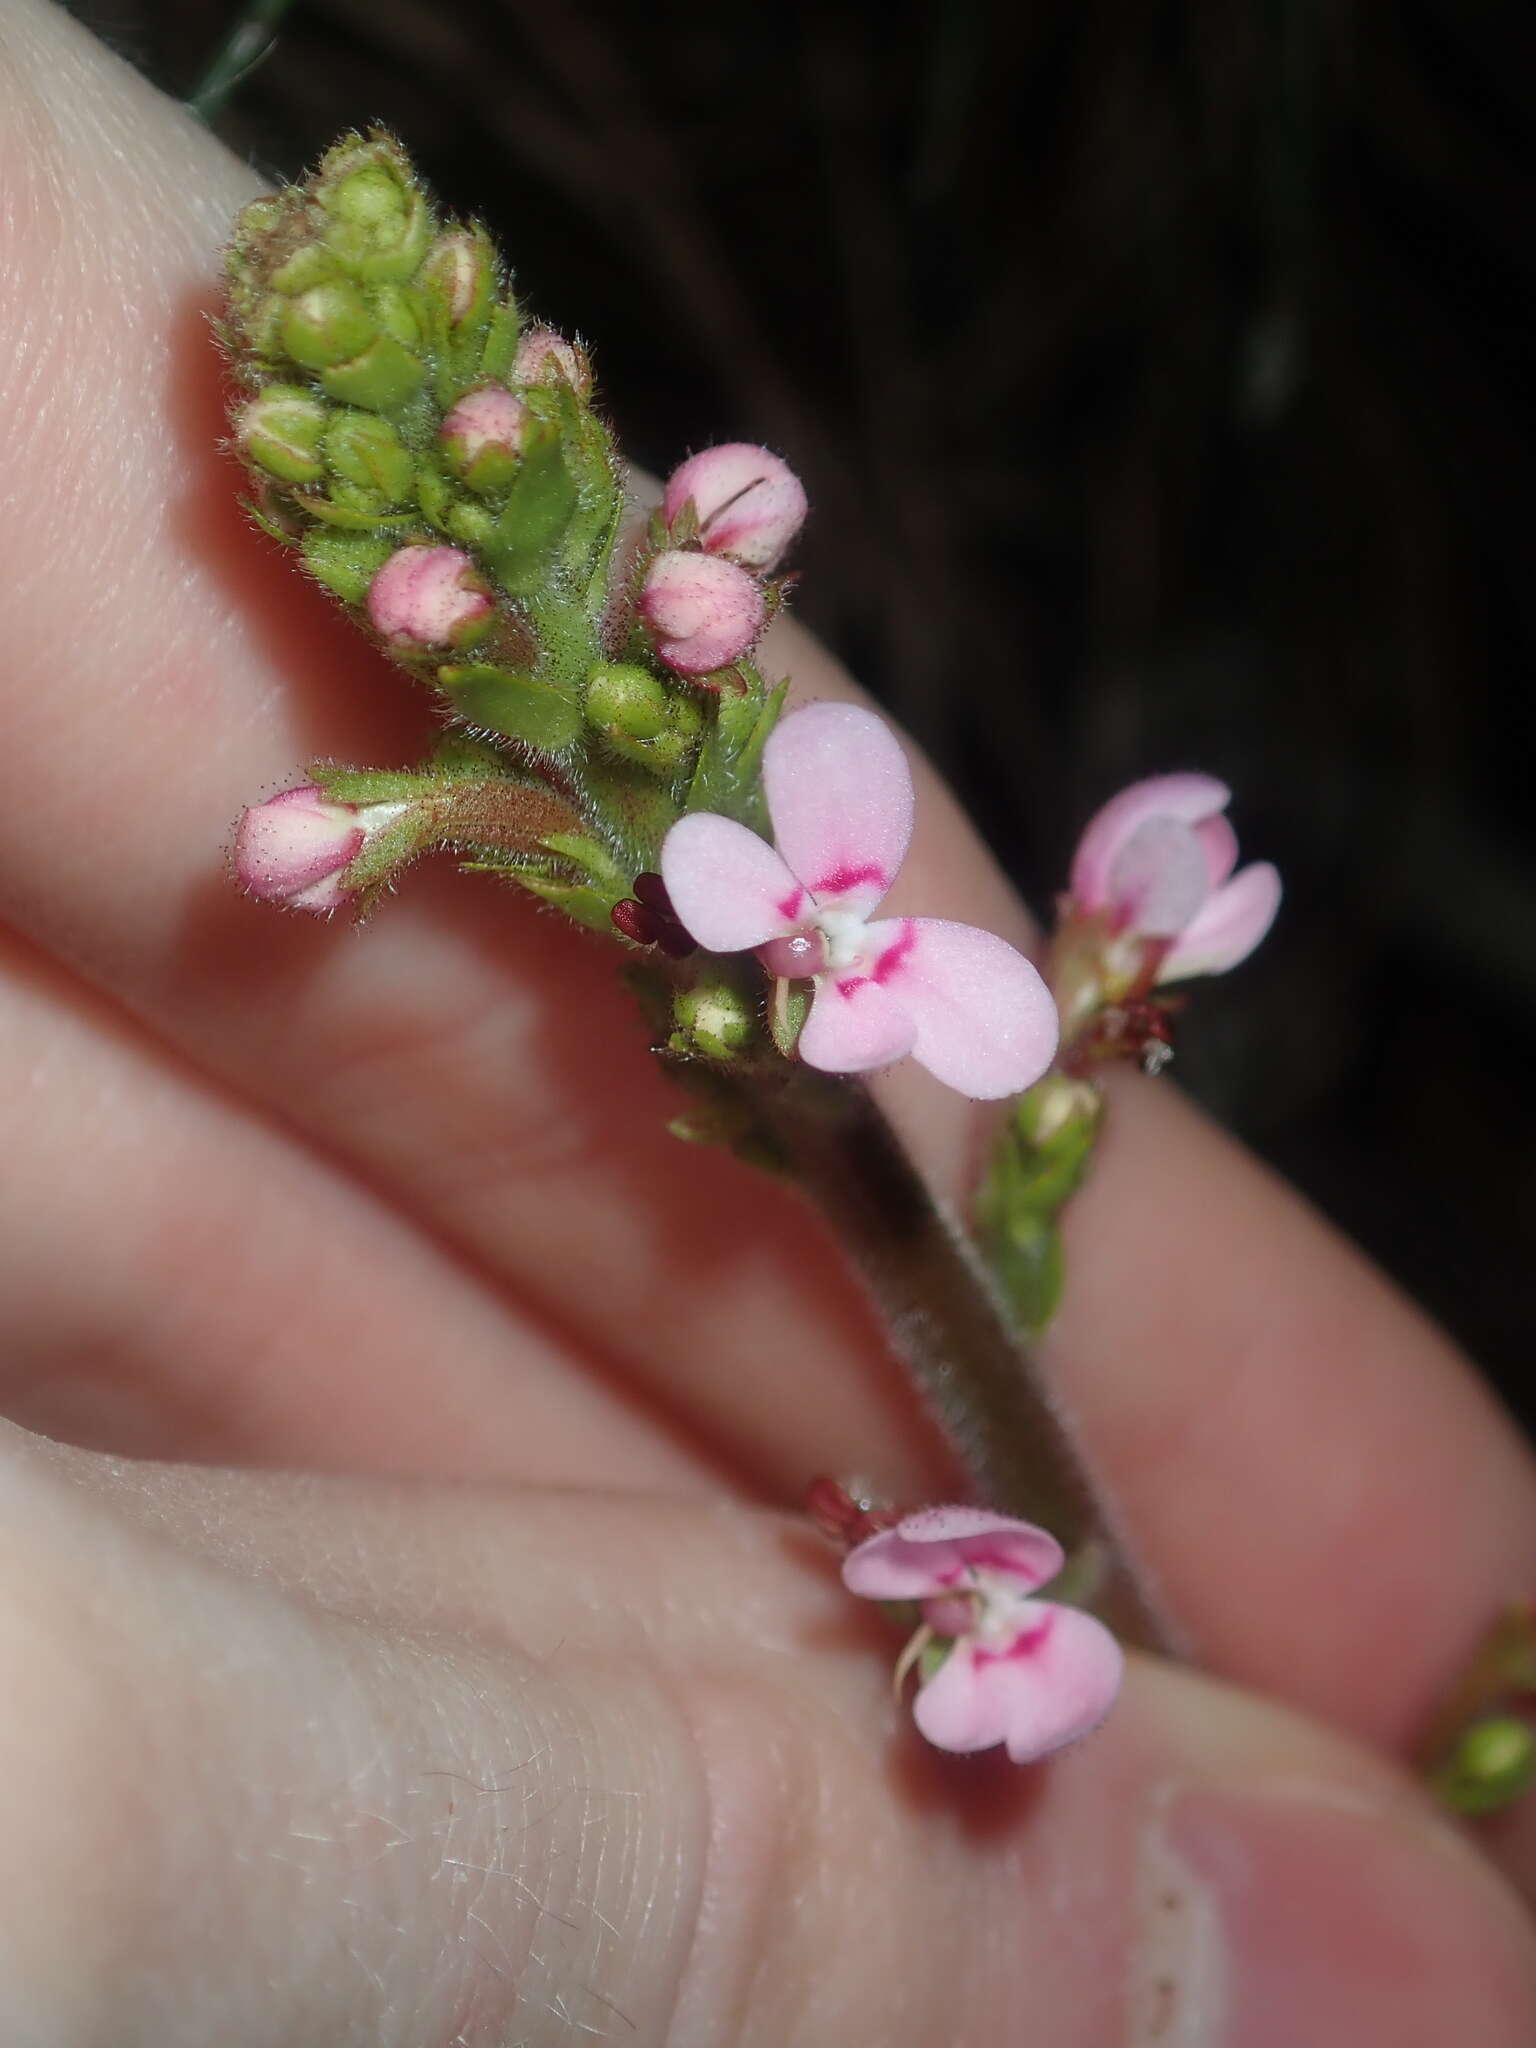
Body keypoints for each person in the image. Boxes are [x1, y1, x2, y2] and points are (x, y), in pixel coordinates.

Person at [0, 4, 1534, 2039]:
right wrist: (465, 818)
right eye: (965, 1604)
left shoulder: (831, 920)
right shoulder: (759, 924)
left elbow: (803, 890)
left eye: (966, 1601)